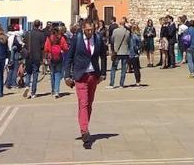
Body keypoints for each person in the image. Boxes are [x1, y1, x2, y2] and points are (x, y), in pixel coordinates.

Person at [63, 19, 107, 150]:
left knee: (89, 104)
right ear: (83, 29)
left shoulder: (98, 38)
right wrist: (67, 75)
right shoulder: (77, 39)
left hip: (93, 75)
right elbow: (69, 58)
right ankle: (85, 132)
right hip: (80, 76)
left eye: (92, 30)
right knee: (84, 103)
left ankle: (84, 125)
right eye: (88, 30)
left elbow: (103, 56)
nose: (90, 32)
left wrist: (103, 73)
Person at [23, 20, 47, 99]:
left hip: (28, 56)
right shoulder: (41, 35)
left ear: (33, 25)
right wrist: (43, 57)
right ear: (39, 25)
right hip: (37, 56)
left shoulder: (27, 33)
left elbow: (24, 44)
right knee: (35, 73)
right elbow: (43, 47)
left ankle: (27, 85)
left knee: (28, 72)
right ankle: (33, 92)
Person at [46, 25, 68, 97]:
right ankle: (57, 91)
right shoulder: (61, 38)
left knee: (52, 74)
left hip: (51, 57)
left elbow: (46, 48)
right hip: (59, 57)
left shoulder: (49, 38)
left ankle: (52, 90)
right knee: (58, 74)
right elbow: (65, 47)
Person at [109, 17, 132, 88]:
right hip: (125, 52)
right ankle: (121, 84)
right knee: (123, 68)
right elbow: (129, 42)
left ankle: (112, 84)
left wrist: (113, 48)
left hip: (117, 52)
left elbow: (112, 40)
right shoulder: (127, 32)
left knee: (113, 68)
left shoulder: (115, 31)